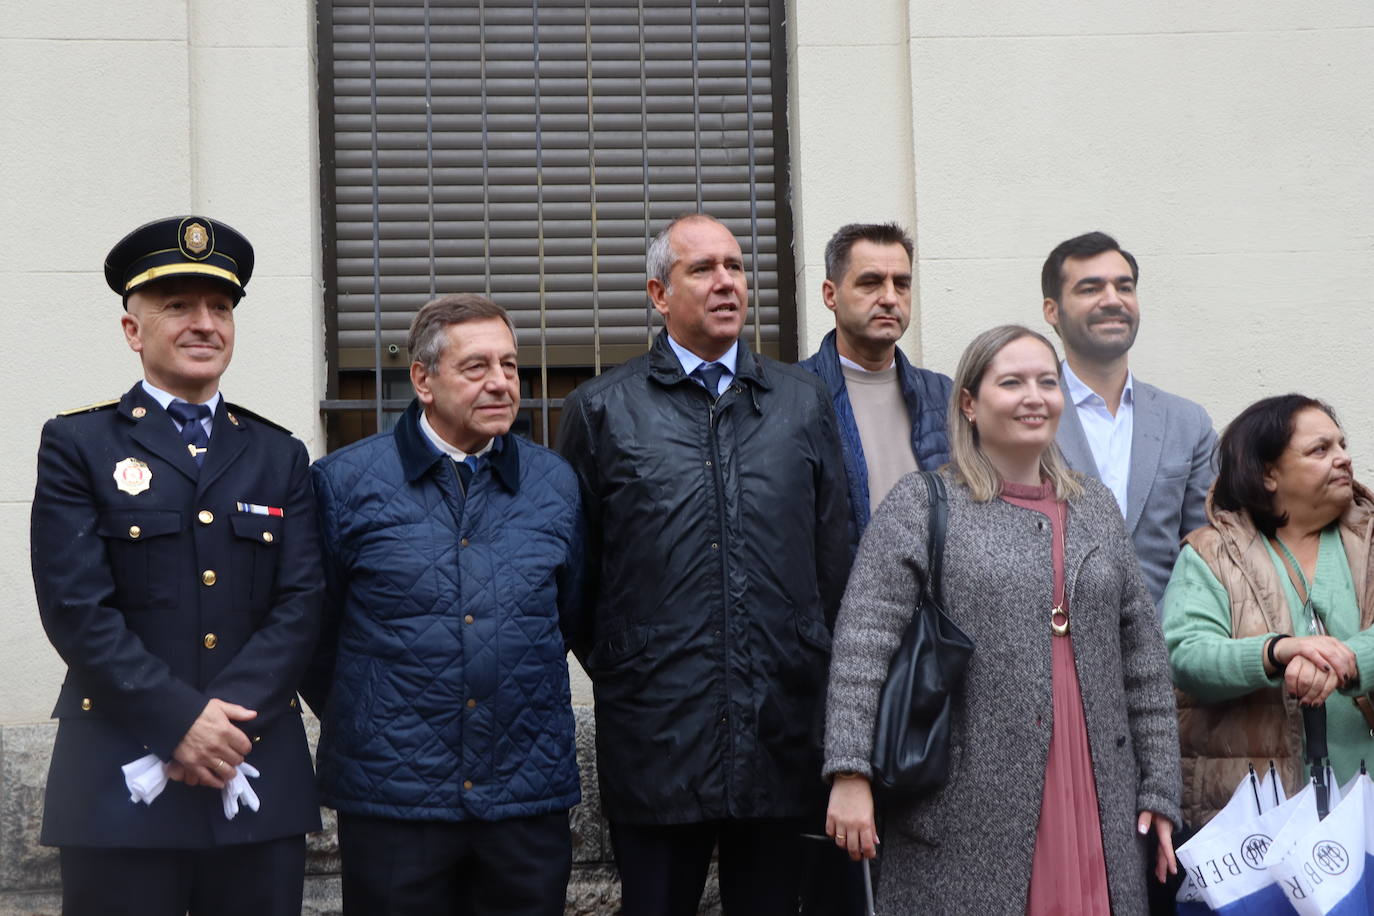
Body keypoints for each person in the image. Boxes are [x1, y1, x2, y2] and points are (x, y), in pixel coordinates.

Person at [824, 324, 1182, 915]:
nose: (1033, 397)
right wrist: (849, 772)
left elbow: (1143, 660)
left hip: (1098, 794)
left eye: (1047, 382)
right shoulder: (922, 503)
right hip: (965, 799)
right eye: (1011, 382)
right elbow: (863, 645)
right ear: (969, 402)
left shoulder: (1096, 507)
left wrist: (1160, 788)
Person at [557, 213, 852, 916]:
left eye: (736, 267)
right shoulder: (602, 408)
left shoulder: (801, 401)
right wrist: (639, 664)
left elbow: (833, 560)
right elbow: (575, 579)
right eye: (704, 269)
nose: (727, 282)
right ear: (659, 294)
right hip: (657, 734)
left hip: (783, 726)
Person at [29, 216, 324, 915]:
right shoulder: (79, 444)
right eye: (178, 306)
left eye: (220, 308)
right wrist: (177, 721)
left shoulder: (278, 454)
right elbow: (76, 607)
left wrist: (220, 727)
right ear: (133, 329)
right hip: (118, 780)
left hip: (251, 773)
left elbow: (303, 602)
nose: (204, 324)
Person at [304, 294, 583, 915]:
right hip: (395, 802)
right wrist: (379, 711)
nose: (501, 383)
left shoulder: (554, 484)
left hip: (524, 799)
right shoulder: (343, 483)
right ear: (423, 380)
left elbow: (567, 617)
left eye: (510, 366)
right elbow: (314, 637)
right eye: (477, 367)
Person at [1163, 394, 1374, 826]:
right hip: (1254, 819)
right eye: (1320, 450)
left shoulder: (1370, 542)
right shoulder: (1212, 553)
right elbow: (1186, 654)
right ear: (1267, 474)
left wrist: (1346, 661)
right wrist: (1278, 651)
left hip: (1365, 807)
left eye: (1341, 445)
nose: (1343, 459)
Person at [1043, 231, 1216, 605]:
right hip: (1050, 647)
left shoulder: (1187, 423)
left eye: (1124, 287)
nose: (1112, 300)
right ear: (1052, 310)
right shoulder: (1025, 414)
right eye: (1090, 289)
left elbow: (1207, 554)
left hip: (1165, 645)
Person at [799, 222, 952, 545]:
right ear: (831, 295)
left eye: (902, 284)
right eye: (870, 283)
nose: (889, 298)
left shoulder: (944, 395)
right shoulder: (791, 394)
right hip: (840, 595)